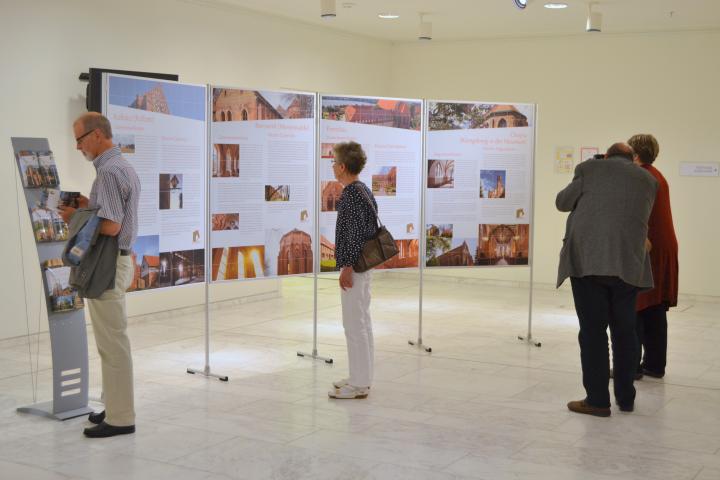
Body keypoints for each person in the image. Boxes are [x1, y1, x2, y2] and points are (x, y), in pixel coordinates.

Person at [556, 142, 657, 417]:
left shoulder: (588, 169)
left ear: (607, 156)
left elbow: (561, 202)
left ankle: (598, 401)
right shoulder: (648, 180)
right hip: (628, 266)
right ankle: (626, 398)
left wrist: (591, 168)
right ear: (633, 158)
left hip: (588, 263)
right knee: (625, 333)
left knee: (592, 333)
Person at [59, 112, 140, 437]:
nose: (78, 147)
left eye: (79, 139)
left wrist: (76, 215)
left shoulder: (108, 171)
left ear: (95, 135)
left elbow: (111, 225)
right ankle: (114, 406)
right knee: (111, 341)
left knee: (113, 343)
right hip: (117, 261)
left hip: (108, 264)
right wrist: (87, 205)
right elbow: (110, 213)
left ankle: (121, 419)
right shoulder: (121, 166)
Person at [328, 141, 377, 400]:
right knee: (362, 322)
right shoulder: (363, 190)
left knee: (353, 324)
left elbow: (354, 236)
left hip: (355, 268)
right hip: (364, 267)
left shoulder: (350, 195)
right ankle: (362, 376)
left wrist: (346, 267)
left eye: (334, 163)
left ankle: (359, 384)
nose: (333, 167)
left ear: (343, 167)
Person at [628, 134, 678, 379]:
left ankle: (632, 366)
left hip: (648, 248)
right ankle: (655, 365)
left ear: (635, 154)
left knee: (637, 306)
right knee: (654, 308)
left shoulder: (641, 176)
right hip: (663, 246)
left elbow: (637, 213)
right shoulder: (657, 174)